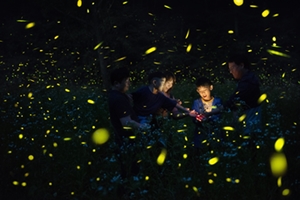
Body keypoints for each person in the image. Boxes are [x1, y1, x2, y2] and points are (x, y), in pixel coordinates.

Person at [108, 67, 147, 196]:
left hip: (123, 140)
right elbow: (126, 122)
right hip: (126, 141)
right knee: (129, 171)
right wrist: (144, 127)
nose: (129, 84)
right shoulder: (118, 99)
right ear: (116, 83)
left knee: (126, 170)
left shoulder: (117, 96)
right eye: (126, 81)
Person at [132, 71, 197, 128]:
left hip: (156, 123)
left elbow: (173, 105)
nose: (169, 86)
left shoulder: (162, 97)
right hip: (139, 119)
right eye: (166, 83)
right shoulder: (144, 91)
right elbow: (131, 97)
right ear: (155, 82)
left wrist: (187, 112)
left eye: (171, 83)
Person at [225, 53, 262, 135]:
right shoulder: (247, 79)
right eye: (229, 69)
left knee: (251, 138)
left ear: (241, 65)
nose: (231, 72)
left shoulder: (248, 82)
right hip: (250, 117)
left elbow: (235, 98)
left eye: (232, 68)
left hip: (252, 117)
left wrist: (217, 109)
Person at [192, 77, 223, 149]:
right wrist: (198, 119)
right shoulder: (197, 103)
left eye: (205, 90)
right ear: (197, 91)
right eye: (200, 91)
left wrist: (209, 117)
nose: (203, 93)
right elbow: (194, 117)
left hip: (216, 132)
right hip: (201, 133)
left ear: (211, 87)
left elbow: (220, 113)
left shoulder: (217, 101)